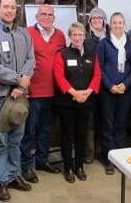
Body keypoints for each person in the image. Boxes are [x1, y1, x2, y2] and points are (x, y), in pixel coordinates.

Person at [0, 0, 35, 202]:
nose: (10, 10)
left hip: (19, 97)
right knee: (1, 140)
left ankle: (13, 175)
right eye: (6, 7)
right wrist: (18, 79)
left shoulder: (24, 34)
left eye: (13, 7)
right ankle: (0, 180)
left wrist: (21, 85)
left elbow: (31, 59)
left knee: (16, 138)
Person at [20, 4, 66, 184]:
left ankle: (41, 161)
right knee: (29, 131)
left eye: (50, 15)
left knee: (47, 130)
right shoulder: (27, 33)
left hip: (53, 92)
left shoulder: (60, 35)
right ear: (36, 16)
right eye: (43, 14)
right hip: (32, 93)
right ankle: (25, 166)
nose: (47, 17)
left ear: (53, 18)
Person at [54, 22, 101, 183]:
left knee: (82, 135)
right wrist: (74, 93)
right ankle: (68, 167)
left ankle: (79, 166)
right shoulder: (62, 53)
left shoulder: (92, 54)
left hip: (86, 102)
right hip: (67, 102)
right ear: (70, 36)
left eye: (81, 34)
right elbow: (59, 77)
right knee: (68, 135)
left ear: (84, 36)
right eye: (75, 34)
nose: (78, 37)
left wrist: (87, 93)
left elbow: (97, 76)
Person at [97, 12, 131, 175]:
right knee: (108, 124)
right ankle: (109, 158)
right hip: (107, 91)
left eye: (120, 23)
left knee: (121, 124)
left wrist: (125, 85)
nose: (117, 26)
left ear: (124, 24)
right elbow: (99, 68)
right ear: (110, 25)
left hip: (125, 91)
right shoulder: (104, 43)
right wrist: (110, 86)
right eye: (114, 23)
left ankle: (119, 156)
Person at [84, 6, 109, 164]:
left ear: (104, 21)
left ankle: (103, 151)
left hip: (107, 85)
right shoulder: (85, 38)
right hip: (90, 85)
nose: (97, 21)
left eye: (100, 18)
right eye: (94, 18)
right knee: (90, 120)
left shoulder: (112, 37)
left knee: (104, 118)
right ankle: (90, 152)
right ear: (89, 21)